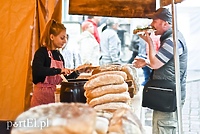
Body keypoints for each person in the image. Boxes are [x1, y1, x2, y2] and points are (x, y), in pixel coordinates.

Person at [133, 8, 187, 134]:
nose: (151, 24)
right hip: (166, 93)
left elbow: (156, 64)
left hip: (169, 94)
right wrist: (146, 62)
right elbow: (166, 63)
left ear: (165, 23)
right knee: (161, 126)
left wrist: (149, 42)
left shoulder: (172, 41)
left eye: (154, 20)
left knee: (164, 127)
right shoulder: (170, 38)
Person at [31, 19, 91, 107]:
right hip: (41, 98)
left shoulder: (59, 55)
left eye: (66, 37)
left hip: (55, 96)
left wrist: (78, 72)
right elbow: (38, 70)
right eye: (62, 38)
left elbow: (63, 79)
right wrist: (59, 70)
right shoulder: (41, 53)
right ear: (52, 37)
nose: (65, 41)